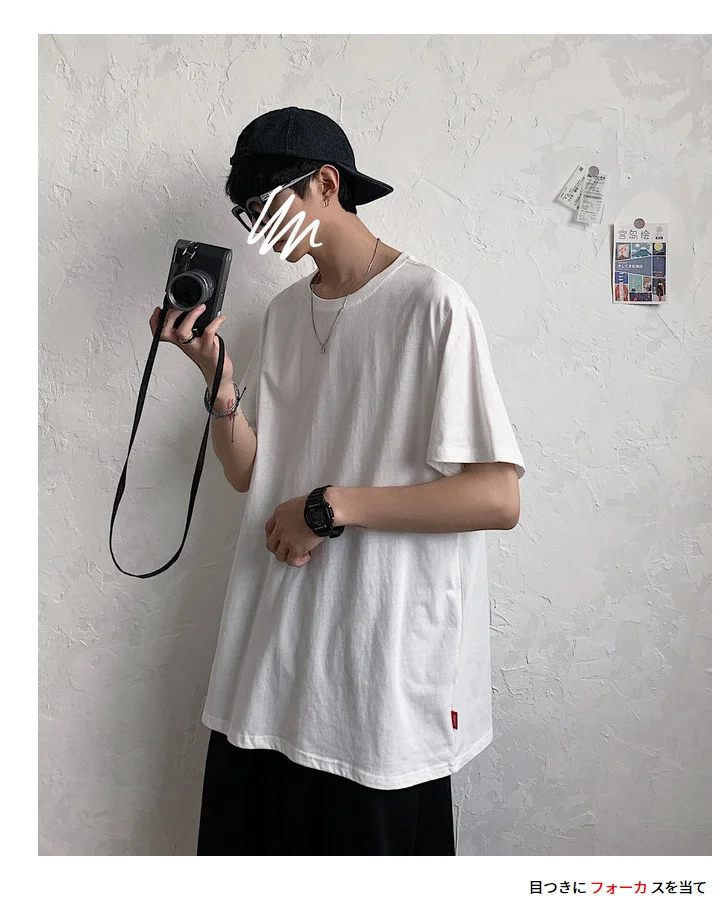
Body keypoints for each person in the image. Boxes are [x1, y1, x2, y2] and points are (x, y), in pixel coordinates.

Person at [150, 106, 526, 855]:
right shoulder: (286, 313)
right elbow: (249, 474)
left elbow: (497, 497)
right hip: (272, 657)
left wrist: (328, 508)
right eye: (246, 215)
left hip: (376, 671)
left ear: (326, 184)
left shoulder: (431, 303)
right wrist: (217, 379)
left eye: (266, 207)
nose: (259, 230)